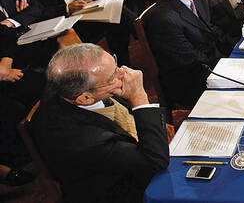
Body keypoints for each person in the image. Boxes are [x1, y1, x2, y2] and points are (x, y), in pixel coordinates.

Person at [31, 43, 169, 202]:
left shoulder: (69, 82)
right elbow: (155, 162)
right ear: (85, 99)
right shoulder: (85, 140)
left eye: (116, 64)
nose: (123, 73)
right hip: (119, 190)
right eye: (112, 78)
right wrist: (139, 96)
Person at [144, 0, 222, 107]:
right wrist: (228, 64)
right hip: (191, 80)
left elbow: (211, 29)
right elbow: (191, 59)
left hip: (209, 60)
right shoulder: (164, 19)